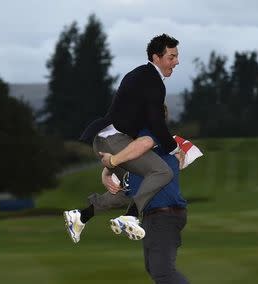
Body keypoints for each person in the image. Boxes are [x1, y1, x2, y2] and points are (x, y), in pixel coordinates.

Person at [66, 34, 185, 238]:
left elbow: (143, 119)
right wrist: (176, 149)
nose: (176, 62)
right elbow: (154, 127)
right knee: (162, 172)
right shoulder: (153, 81)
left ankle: (81, 216)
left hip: (105, 140)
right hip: (113, 141)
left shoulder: (141, 76)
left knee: (128, 190)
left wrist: (109, 167)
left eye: (176, 57)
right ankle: (130, 216)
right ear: (156, 57)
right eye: (171, 57)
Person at [70, 129, 194, 283]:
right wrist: (108, 169)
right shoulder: (137, 153)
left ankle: (83, 216)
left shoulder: (159, 147)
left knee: (163, 272)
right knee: (154, 269)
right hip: (153, 216)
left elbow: (143, 150)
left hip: (165, 215)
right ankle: (82, 216)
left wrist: (110, 165)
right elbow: (125, 190)